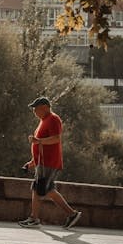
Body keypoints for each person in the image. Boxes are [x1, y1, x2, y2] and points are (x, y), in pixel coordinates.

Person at [18, 96, 82, 229]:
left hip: (49, 162)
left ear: (45, 108)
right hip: (43, 162)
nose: (34, 111)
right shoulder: (43, 121)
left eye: (36, 109)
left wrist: (38, 141)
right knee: (45, 189)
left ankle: (35, 218)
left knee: (39, 188)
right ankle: (71, 214)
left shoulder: (53, 119)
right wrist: (31, 163)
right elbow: (40, 145)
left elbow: (56, 139)